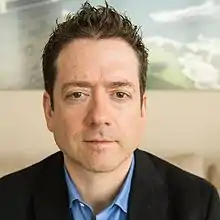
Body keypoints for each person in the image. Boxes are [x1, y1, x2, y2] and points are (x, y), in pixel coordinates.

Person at [0, 2, 219, 220]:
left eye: (119, 94)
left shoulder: (199, 205)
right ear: (49, 110)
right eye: (77, 94)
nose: (99, 117)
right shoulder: (6, 202)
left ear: (142, 108)